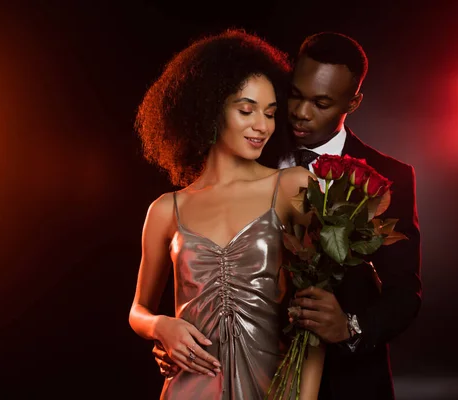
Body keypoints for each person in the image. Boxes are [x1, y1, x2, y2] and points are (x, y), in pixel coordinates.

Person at [153, 32, 422, 400]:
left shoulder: (389, 177)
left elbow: (405, 292)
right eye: (294, 94)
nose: (300, 112)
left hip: (348, 382)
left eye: (321, 102)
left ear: (353, 101)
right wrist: (175, 333)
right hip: (248, 377)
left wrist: (350, 327)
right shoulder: (249, 151)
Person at [128, 29, 324, 399]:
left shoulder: (291, 187)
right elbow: (138, 309)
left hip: (270, 384)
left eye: (269, 113)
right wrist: (161, 327)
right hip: (188, 387)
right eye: (246, 110)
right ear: (209, 108)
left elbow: (316, 314)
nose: (262, 126)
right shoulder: (167, 208)